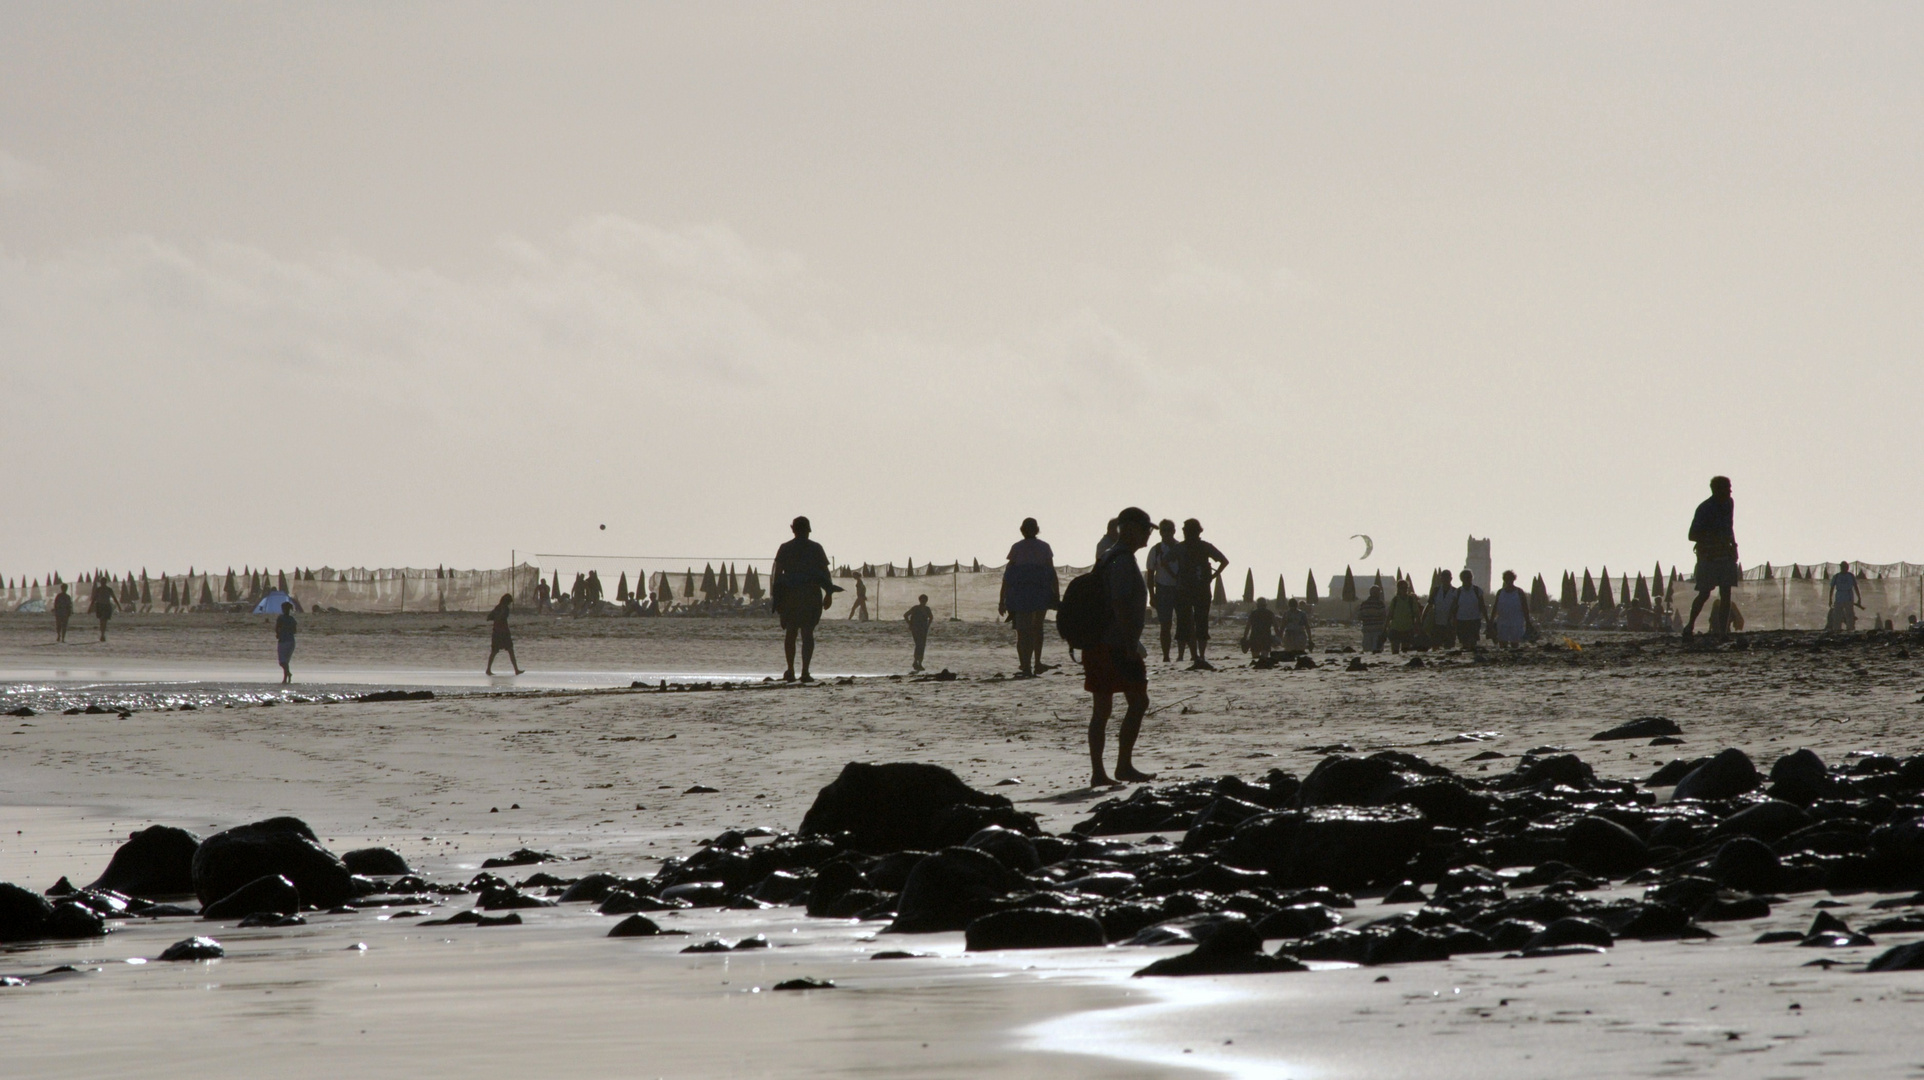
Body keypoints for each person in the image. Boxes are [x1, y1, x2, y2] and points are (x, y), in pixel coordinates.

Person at [1084, 506, 1156, 787]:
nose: (1149, 533)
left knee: (1103, 708)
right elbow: (1120, 605)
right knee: (1137, 701)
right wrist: (1129, 643)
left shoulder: (1109, 557)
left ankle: (1103, 771)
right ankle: (1118, 767)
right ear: (1129, 529)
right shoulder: (1122, 561)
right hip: (1115, 644)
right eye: (1146, 528)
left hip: (1100, 642)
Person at [771, 516, 839, 683]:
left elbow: (777, 575)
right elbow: (825, 573)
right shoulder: (816, 548)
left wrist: (777, 600)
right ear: (808, 529)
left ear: (792, 529)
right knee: (807, 633)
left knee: (791, 632)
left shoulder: (785, 548)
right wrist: (829, 593)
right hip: (810, 594)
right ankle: (805, 671)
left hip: (790, 595)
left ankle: (791, 670)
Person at [999, 518, 1059, 677]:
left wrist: (1002, 599)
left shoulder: (1016, 548)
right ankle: (1037, 662)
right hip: (1040, 592)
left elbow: (1008, 576)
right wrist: (1056, 594)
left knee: (1022, 631)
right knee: (1037, 629)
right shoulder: (1044, 547)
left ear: (1022, 530)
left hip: (1020, 594)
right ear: (1037, 529)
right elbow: (1052, 573)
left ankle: (1025, 665)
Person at [1685, 476, 1740, 639]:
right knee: (1704, 593)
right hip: (1708, 557)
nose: (1730, 491)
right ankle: (1690, 625)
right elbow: (1692, 535)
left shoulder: (1729, 503)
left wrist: (1734, 546)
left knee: (1726, 593)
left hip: (1726, 555)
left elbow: (1730, 527)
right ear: (1716, 490)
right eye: (1726, 487)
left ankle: (1723, 631)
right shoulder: (1704, 508)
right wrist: (1714, 536)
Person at [1176, 519, 1228, 670]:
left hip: (1188, 590)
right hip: (1199, 589)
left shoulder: (1183, 547)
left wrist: (1176, 576)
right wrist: (1213, 575)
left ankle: (1196, 655)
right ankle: (1199, 655)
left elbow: (1165, 562)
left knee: (1192, 623)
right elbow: (1224, 561)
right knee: (1199, 622)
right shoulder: (1204, 547)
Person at [1145, 519, 1186, 662]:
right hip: (1162, 589)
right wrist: (1152, 595)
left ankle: (1181, 655)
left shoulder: (1181, 548)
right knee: (1165, 625)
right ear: (1160, 532)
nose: (1166, 533)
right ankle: (1166, 656)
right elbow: (1150, 574)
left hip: (1180, 589)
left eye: (1169, 530)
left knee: (1183, 623)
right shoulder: (1155, 550)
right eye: (1163, 530)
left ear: (1174, 531)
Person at [1490, 570, 1534, 648]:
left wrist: (1527, 621)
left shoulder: (1519, 592)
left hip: (1516, 621)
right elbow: (1495, 607)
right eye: (1506, 579)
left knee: (1515, 643)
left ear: (1513, 579)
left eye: (1510, 579)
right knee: (1502, 643)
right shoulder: (1500, 592)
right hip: (1502, 621)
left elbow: (1525, 607)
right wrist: (1491, 621)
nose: (1508, 581)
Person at [486, 593, 523, 675]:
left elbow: (489, 617)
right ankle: (516, 670)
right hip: (503, 632)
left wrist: (496, 615)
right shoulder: (505, 609)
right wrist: (499, 614)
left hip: (496, 631)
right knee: (509, 650)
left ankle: (488, 669)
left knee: (495, 651)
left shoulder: (497, 608)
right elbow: (499, 617)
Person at [1451, 569, 1487, 649]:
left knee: (1473, 641)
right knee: (1464, 641)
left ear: (1471, 578)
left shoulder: (1477, 590)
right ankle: (1465, 658)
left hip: (1474, 620)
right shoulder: (1458, 592)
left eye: (1469, 577)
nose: (1467, 579)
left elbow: (1482, 606)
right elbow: (1454, 607)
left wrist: (1487, 620)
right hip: (1461, 620)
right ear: (1461, 579)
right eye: (1465, 578)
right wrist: (1453, 620)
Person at [1385, 578, 1420, 654]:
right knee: (1395, 650)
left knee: (1405, 651)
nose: (1404, 590)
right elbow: (1390, 614)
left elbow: (1417, 614)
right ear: (1398, 589)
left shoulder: (1411, 600)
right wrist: (1386, 626)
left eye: (1406, 588)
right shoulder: (1395, 600)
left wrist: (1417, 625)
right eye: (1402, 588)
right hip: (1395, 627)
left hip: (1407, 628)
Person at [1240, 597, 1278, 663]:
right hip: (1266, 636)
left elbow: (1248, 626)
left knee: (1255, 657)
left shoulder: (1253, 613)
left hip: (1255, 636)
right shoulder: (1270, 613)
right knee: (1264, 657)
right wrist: (1278, 636)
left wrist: (1245, 637)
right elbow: (1275, 626)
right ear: (1265, 605)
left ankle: (1257, 669)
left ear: (1257, 605)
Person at [1828, 561, 1863, 632]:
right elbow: (1832, 588)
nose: (1844, 568)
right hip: (1839, 597)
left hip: (1848, 597)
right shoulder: (1837, 576)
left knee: (1849, 614)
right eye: (1843, 567)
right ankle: (1837, 629)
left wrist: (1859, 598)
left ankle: (1850, 629)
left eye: (1845, 567)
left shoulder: (1850, 576)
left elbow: (1855, 587)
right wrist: (1830, 599)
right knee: (1837, 614)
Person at [1426, 569, 1456, 650]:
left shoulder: (1455, 591)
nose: (1446, 580)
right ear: (1441, 579)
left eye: (1447, 578)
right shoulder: (1436, 590)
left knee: (1449, 646)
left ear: (1451, 579)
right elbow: (1429, 605)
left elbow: (1458, 607)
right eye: (1444, 578)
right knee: (1435, 644)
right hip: (1437, 623)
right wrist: (1423, 619)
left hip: (1450, 624)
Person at [904, 593, 934, 672]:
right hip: (916, 629)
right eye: (922, 600)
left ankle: (919, 663)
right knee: (918, 644)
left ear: (926, 601)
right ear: (920, 600)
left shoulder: (927, 609)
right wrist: (910, 623)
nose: (923, 601)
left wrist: (928, 625)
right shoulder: (915, 608)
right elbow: (906, 615)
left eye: (924, 600)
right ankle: (916, 661)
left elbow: (931, 617)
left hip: (923, 629)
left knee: (922, 645)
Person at [1357, 585, 1387, 653]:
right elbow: (1384, 616)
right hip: (1377, 629)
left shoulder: (1364, 604)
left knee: (1367, 649)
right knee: (1376, 649)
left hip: (1367, 628)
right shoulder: (1380, 604)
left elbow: (1359, 616)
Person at [274, 601, 298, 683]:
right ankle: (286, 676)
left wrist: (278, 634)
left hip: (284, 641)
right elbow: (295, 631)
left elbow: (277, 628)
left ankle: (287, 675)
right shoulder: (292, 619)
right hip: (291, 641)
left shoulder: (281, 618)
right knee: (285, 661)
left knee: (282, 662)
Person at [90, 579, 116, 643]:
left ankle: (102, 634)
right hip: (101, 605)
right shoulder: (98, 589)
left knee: (103, 621)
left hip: (105, 605)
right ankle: (102, 634)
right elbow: (94, 599)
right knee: (102, 621)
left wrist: (90, 607)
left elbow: (114, 597)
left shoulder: (108, 589)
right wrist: (90, 608)